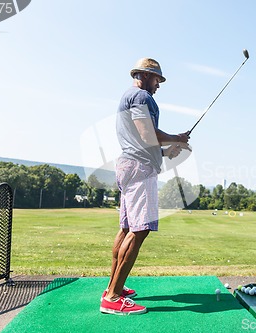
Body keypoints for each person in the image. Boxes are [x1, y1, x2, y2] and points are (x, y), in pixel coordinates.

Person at [100, 58, 190, 315]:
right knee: (140, 231)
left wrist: (165, 151)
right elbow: (146, 133)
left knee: (127, 227)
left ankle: (111, 289)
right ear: (144, 75)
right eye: (157, 79)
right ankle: (114, 298)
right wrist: (177, 138)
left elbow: (144, 140)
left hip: (130, 164)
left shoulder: (129, 96)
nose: (158, 85)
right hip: (140, 169)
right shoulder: (141, 97)